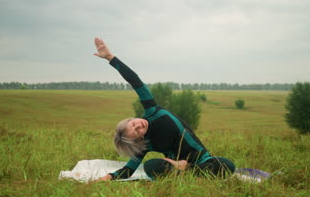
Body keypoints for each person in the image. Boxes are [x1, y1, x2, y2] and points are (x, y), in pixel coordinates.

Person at [93, 37, 235, 181]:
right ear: (139, 138)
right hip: (174, 166)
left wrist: (110, 57)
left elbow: (134, 81)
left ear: (131, 119)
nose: (138, 126)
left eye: (133, 123)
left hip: (202, 160)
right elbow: (128, 170)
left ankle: (188, 170)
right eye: (137, 132)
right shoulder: (146, 144)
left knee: (228, 165)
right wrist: (108, 177)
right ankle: (188, 173)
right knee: (150, 166)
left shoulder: (152, 110)